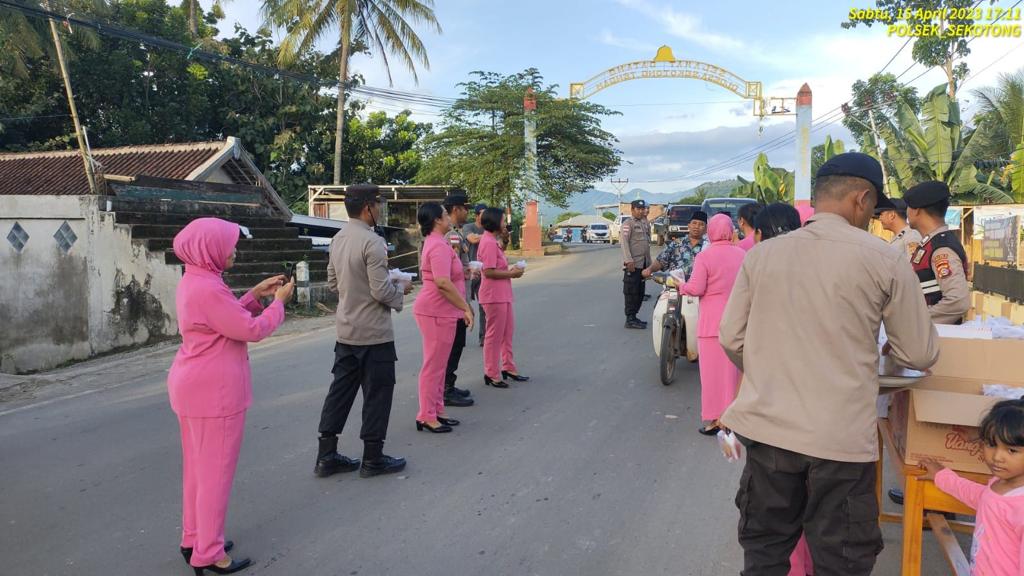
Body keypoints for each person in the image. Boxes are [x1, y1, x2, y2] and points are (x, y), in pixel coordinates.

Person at [718, 152, 940, 575]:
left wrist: (774, 369)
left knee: (764, 554)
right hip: (840, 441)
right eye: (874, 209)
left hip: (769, 435)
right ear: (861, 199)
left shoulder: (762, 256)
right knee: (841, 560)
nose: (873, 218)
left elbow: (732, 337)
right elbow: (919, 353)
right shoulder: (886, 257)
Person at [168, 217, 294, 575]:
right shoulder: (208, 287)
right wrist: (278, 303)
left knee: (198, 469)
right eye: (229, 244)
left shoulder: (198, 280)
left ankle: (195, 538)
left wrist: (255, 295)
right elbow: (249, 330)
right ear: (211, 249)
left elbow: (224, 319)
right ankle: (209, 551)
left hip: (193, 385)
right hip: (215, 392)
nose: (233, 250)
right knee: (215, 474)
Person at [315, 184, 411, 479]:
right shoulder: (372, 242)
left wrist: (353, 293)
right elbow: (381, 290)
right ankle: (373, 458)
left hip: (346, 331)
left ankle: (326, 455)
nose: (380, 210)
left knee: (339, 393)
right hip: (374, 333)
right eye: (378, 205)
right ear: (368, 206)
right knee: (377, 394)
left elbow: (333, 283)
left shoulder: (338, 239)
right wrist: (401, 290)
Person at [920, 400, 1024, 576]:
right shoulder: (999, 483)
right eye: (991, 445)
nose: (997, 457)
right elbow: (980, 498)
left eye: (1011, 451)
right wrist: (942, 476)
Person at [676, 213, 745, 436]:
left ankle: (717, 420)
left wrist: (681, 285)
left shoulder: (705, 257)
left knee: (713, 376)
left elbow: (696, 288)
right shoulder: (742, 254)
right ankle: (734, 419)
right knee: (733, 375)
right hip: (737, 322)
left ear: (711, 231)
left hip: (711, 324)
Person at [413, 202, 475, 433]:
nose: (449, 216)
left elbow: (448, 276)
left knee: (439, 366)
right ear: (437, 220)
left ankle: (437, 410)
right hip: (435, 311)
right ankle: (426, 415)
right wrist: (465, 308)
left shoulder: (440, 242)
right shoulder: (438, 245)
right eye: (446, 214)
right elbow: (441, 282)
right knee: (434, 366)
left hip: (443, 310)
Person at [906, 180, 971, 325]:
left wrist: (915, 323)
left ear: (916, 210)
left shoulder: (941, 249)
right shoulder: (930, 244)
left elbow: (958, 301)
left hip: (937, 337)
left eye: (908, 207)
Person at [478, 207, 529, 388]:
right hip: (493, 296)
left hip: (502, 294)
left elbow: (497, 261)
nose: (504, 223)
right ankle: (491, 372)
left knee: (507, 333)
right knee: (494, 336)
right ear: (493, 222)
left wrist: (510, 271)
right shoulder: (488, 242)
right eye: (502, 220)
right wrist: (511, 274)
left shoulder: (492, 241)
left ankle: (508, 367)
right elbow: (489, 271)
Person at [441, 193, 476, 408]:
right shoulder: (451, 237)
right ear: (455, 209)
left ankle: (449, 385)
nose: (467, 212)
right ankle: (445, 389)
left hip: (459, 297)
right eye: (465, 208)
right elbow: (450, 272)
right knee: (452, 346)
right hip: (454, 301)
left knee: (458, 344)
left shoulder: (457, 234)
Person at [641, 210, 707, 281]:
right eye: (694, 223)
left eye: (701, 224)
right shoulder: (676, 243)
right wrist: (650, 269)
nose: (697, 226)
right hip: (674, 286)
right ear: (689, 226)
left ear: (706, 229)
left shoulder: (708, 247)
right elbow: (661, 261)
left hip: (697, 288)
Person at [620, 199, 652, 329]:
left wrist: (649, 264)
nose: (641, 211)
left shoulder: (644, 224)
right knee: (631, 292)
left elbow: (646, 245)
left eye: (642, 209)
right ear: (632, 210)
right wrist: (629, 260)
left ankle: (634, 317)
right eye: (638, 209)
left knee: (640, 292)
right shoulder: (628, 224)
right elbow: (624, 243)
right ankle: (630, 319)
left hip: (643, 264)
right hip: (633, 264)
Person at [464, 203, 487, 346]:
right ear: (476, 215)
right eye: (483, 214)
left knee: (484, 305)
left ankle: (483, 337)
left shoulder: (487, 229)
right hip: (468, 272)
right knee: (462, 304)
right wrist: (489, 235)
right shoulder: (468, 227)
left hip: (483, 272)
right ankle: (456, 337)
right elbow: (472, 239)